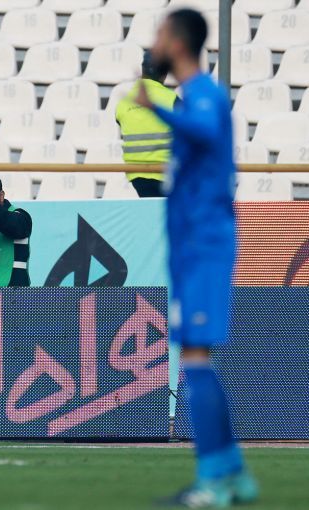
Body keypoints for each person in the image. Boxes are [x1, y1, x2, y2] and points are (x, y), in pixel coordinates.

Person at [135, 9, 258, 507]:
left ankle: (214, 481)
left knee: (194, 358)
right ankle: (233, 472)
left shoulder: (203, 95)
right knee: (195, 357)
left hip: (205, 245)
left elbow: (206, 130)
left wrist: (157, 109)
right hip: (191, 247)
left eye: (159, 34)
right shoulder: (193, 97)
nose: (153, 43)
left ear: (178, 43)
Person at [115, 50, 180, 198]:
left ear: (142, 71)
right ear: (164, 74)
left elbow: (119, 121)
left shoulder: (124, 102)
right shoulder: (172, 100)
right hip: (166, 172)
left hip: (137, 174)